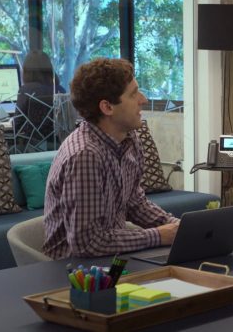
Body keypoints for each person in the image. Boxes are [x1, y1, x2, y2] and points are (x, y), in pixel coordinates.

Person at [43, 58, 179, 259]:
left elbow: (134, 202)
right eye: (133, 94)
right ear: (107, 107)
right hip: (78, 272)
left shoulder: (129, 138)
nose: (143, 99)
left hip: (112, 256)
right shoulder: (85, 156)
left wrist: (174, 225)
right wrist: (158, 235)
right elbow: (87, 243)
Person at [13, 50, 64, 143]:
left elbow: (17, 124)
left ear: (27, 71)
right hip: (58, 146)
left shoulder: (26, 90)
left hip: (31, 147)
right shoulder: (61, 90)